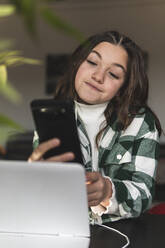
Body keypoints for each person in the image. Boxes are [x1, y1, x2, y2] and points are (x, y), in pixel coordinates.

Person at [28, 30, 161, 224]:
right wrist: (35, 176)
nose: (98, 76)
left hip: (119, 234)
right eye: (92, 62)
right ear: (77, 64)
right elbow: (44, 194)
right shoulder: (51, 115)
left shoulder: (140, 122)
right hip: (63, 226)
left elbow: (144, 196)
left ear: (123, 87)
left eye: (114, 74)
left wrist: (108, 191)